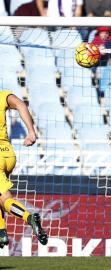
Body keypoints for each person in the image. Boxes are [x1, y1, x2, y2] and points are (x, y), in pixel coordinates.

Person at [0, 91, 48, 248]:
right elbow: (21, 104)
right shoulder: (2, 96)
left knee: (6, 199)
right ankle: (1, 233)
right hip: (8, 154)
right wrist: (31, 132)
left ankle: (29, 218)